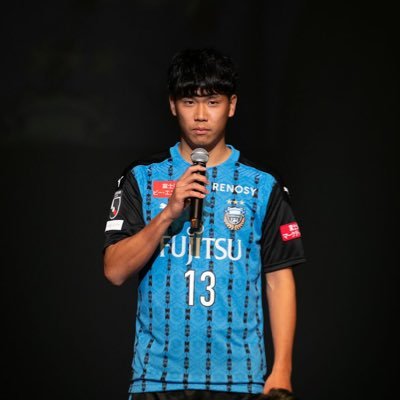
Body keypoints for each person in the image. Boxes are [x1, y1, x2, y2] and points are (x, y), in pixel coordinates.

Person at [103, 48, 306, 400]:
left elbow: (278, 278)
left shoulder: (263, 184)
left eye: (212, 102)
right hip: (158, 379)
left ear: (231, 105)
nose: (200, 115)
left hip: (240, 379)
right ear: (172, 105)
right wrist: (168, 213)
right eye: (189, 102)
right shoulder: (141, 177)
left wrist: (282, 370)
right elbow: (114, 271)